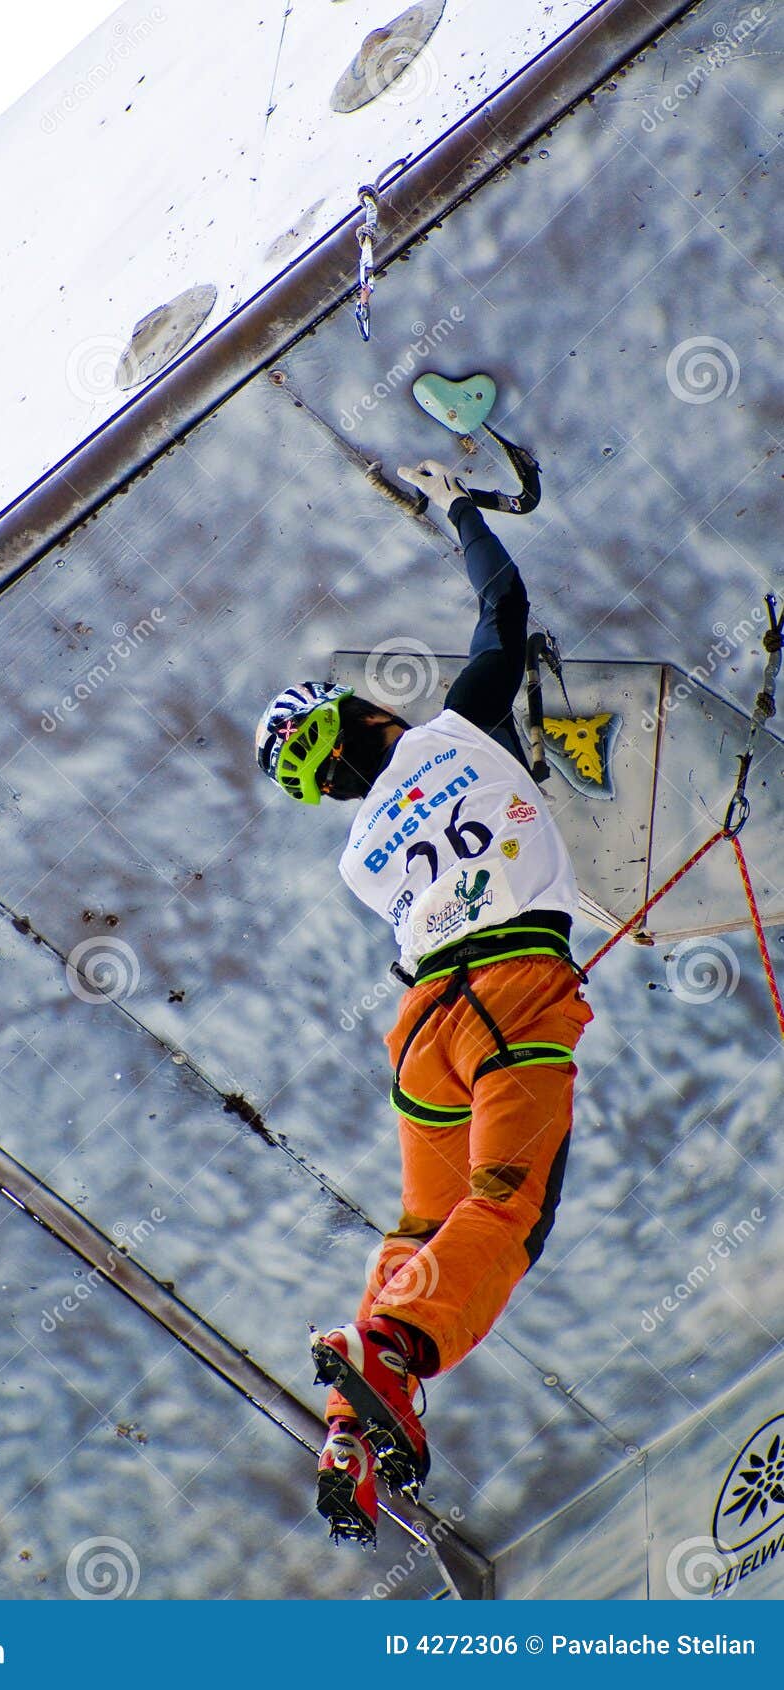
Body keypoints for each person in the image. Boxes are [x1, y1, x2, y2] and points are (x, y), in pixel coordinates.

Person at [254, 461, 593, 1545]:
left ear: (326, 792)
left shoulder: (357, 855)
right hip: (511, 993)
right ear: (362, 712)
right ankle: (390, 1346)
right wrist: (458, 508)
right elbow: (505, 612)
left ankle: (357, 1404)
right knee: (505, 1208)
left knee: (427, 1221)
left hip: (423, 1038)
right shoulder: (452, 731)